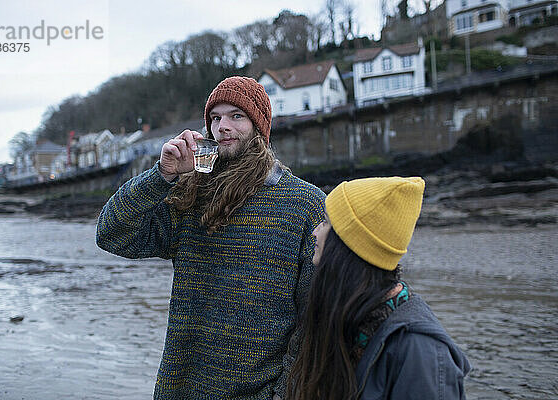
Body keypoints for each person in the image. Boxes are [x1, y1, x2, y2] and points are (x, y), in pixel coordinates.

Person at [96, 76, 326, 399]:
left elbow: (316, 322)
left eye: (236, 116)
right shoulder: (191, 197)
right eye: (215, 118)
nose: (222, 127)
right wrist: (161, 176)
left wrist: (282, 394)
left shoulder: (304, 204)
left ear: (259, 127)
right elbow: (111, 234)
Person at [287, 177, 471, 400]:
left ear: (349, 244)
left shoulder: (421, 352)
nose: (315, 232)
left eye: (325, 222)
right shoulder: (349, 318)